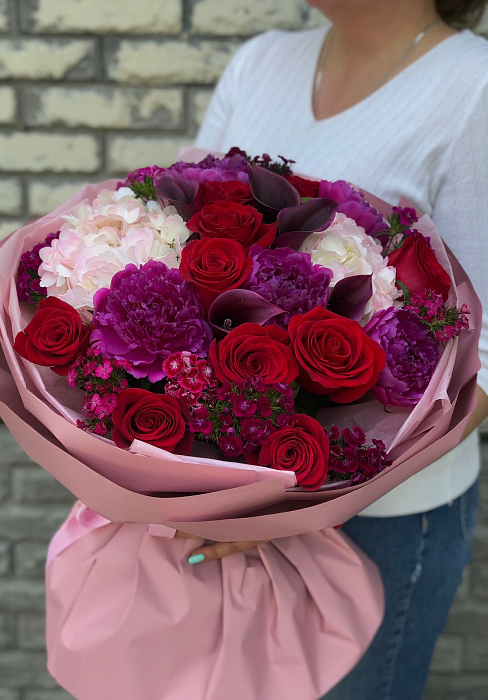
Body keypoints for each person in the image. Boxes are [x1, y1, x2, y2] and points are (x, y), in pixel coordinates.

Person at [175, 0, 488, 697]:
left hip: (379, 525)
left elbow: (487, 351)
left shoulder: (473, 91)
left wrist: (314, 501)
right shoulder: (260, 63)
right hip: (230, 498)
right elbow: (177, 239)